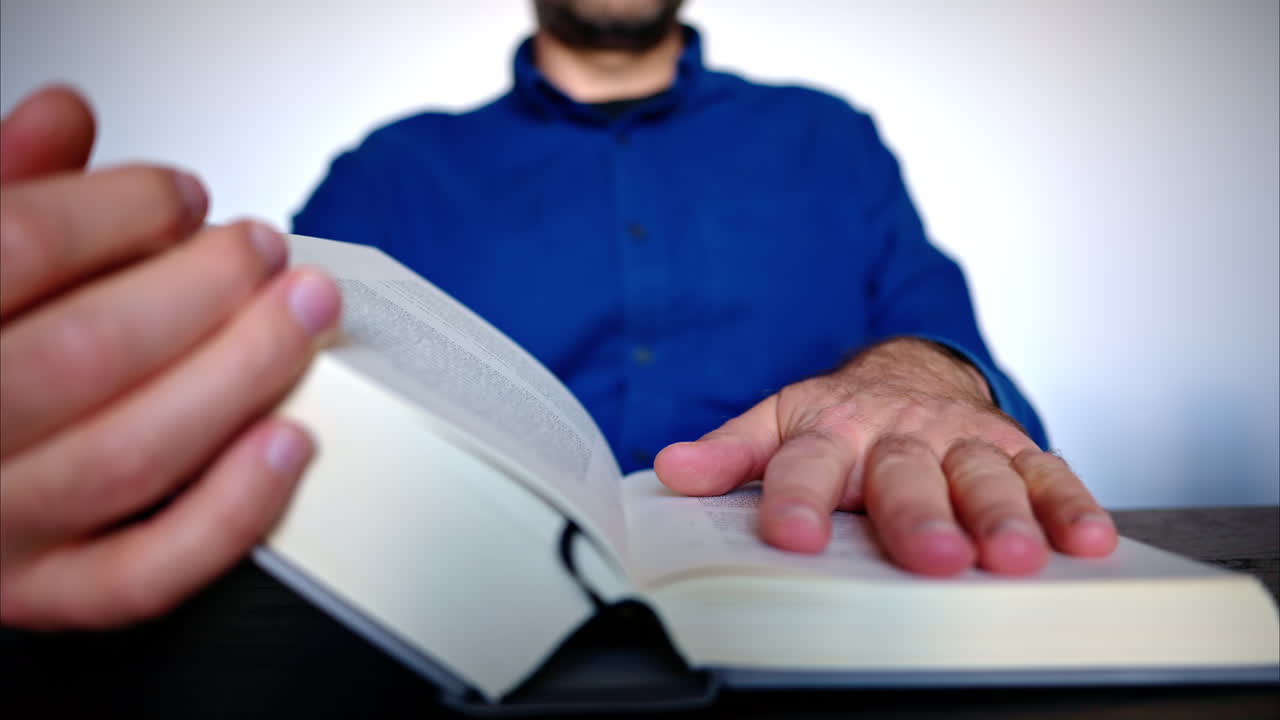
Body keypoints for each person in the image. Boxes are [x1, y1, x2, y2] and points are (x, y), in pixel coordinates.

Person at [0, 2, 1115, 630]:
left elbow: (941, 337)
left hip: (846, 610)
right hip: (456, 627)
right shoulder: (388, 171)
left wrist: (919, 382)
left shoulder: (832, 139)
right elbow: (267, 389)